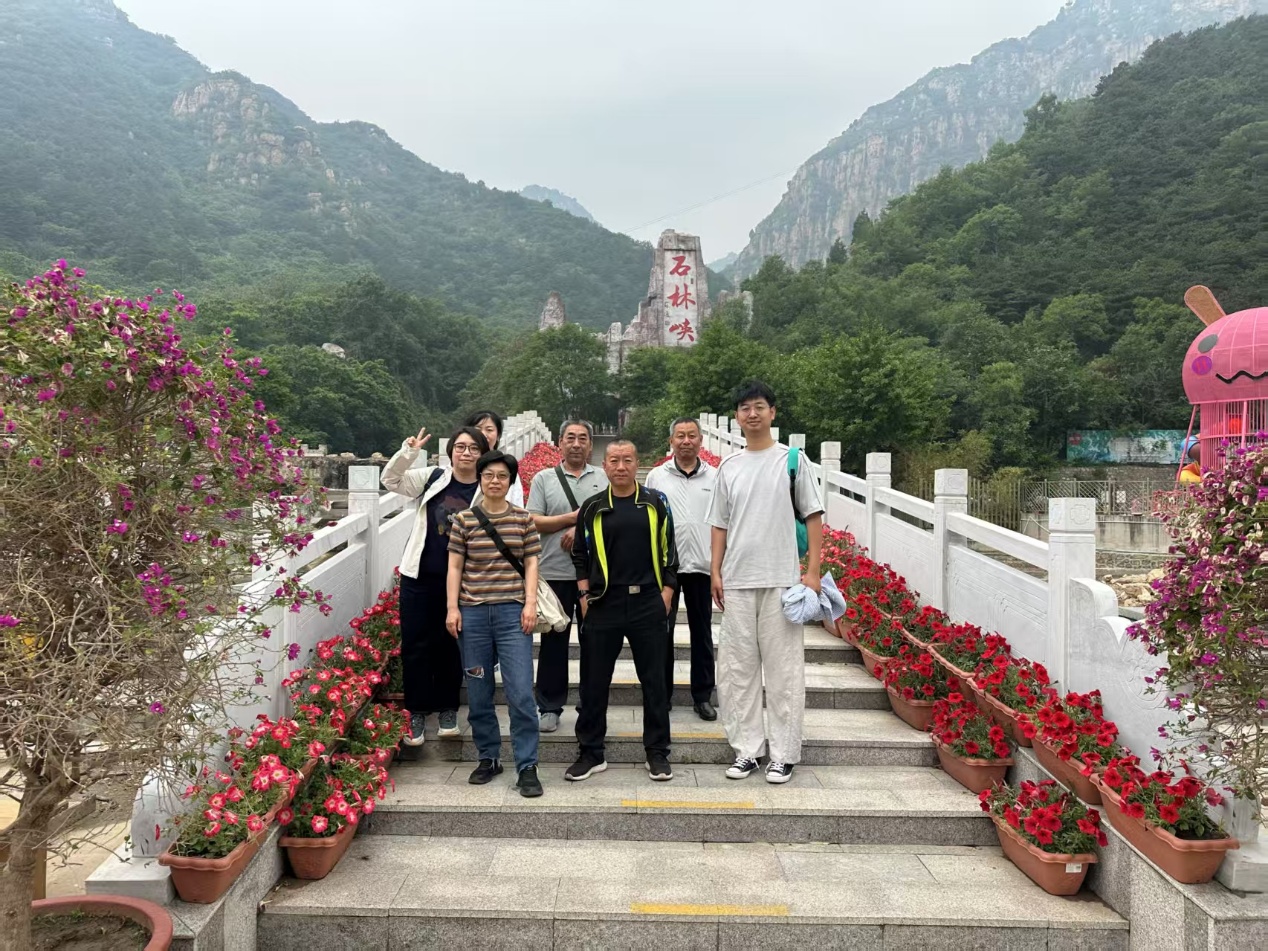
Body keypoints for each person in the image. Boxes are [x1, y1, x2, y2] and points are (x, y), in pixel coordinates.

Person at [708, 381, 823, 784]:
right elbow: (719, 524)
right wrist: (716, 571)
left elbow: (813, 515)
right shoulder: (729, 467)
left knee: (783, 671)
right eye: (744, 408)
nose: (752, 414)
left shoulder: (792, 460)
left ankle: (784, 754)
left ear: (773, 412)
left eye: (759, 406)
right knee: (737, 670)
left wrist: (812, 572)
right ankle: (747, 750)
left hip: (781, 580)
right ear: (737, 416)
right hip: (738, 580)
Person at [567, 439, 678, 782]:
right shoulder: (593, 506)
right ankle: (590, 752)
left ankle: (657, 752)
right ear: (604, 465)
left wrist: (667, 592)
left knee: (654, 681)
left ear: (637, 463)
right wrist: (584, 595)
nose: (620, 466)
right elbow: (580, 554)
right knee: (593, 681)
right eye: (613, 460)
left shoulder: (656, 502)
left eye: (627, 460)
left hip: (647, 602)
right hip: (604, 603)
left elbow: (670, 551)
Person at [381, 425, 490, 745]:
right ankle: (415, 712)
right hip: (419, 577)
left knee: (450, 645)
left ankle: (447, 709)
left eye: (474, 448)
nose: (466, 453)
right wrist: (409, 452)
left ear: (483, 454)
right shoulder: (434, 477)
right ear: (451, 451)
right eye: (461, 447)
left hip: (463, 581)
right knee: (415, 645)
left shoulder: (487, 487)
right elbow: (390, 480)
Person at [446, 450, 544, 797]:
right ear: (480, 479)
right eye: (488, 475)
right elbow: (455, 566)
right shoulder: (464, 520)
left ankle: (527, 765)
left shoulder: (523, 519)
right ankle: (488, 757)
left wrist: (529, 604)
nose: (495, 481)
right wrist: (452, 608)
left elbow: (531, 563)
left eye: (502, 476)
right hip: (473, 616)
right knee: (478, 692)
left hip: (511, 616)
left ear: (511, 481)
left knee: (521, 692)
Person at [526, 419, 609, 732]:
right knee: (553, 643)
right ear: (559, 443)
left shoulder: (603, 478)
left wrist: (580, 528)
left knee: (595, 643)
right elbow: (533, 520)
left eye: (582, 438)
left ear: (590, 445)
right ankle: (549, 706)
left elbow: (611, 518)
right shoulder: (544, 478)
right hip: (555, 572)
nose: (576, 444)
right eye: (570, 438)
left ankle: (590, 703)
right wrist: (570, 518)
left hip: (595, 575)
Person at [644, 417, 718, 721]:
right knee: (662, 632)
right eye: (680, 436)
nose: (686, 441)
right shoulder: (656, 477)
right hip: (666, 568)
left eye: (692, 435)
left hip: (702, 566)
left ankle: (703, 696)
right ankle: (662, 695)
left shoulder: (716, 477)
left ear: (701, 440)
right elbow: (647, 521)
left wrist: (719, 567)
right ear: (671, 441)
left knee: (702, 633)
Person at [464, 410, 525, 506]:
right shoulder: (459, 466)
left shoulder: (506, 469)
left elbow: (516, 507)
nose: (483, 434)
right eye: (478, 429)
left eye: (489, 430)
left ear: (498, 436)